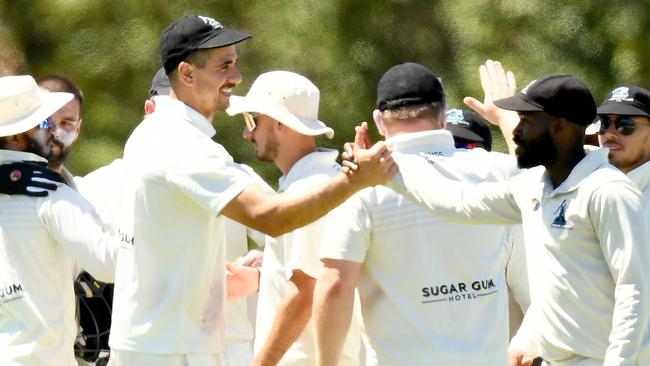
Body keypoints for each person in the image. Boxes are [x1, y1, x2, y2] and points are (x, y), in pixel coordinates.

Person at [109, 15, 393, 365]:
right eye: (224, 66)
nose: (236, 77)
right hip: (171, 349)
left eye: (235, 64)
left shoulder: (155, 132)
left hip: (157, 343)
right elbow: (269, 217)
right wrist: (356, 179)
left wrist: (265, 269)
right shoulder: (182, 142)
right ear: (186, 74)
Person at [381, 73, 650, 365]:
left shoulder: (608, 191)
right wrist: (388, 172)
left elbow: (635, 291)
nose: (516, 131)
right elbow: (456, 201)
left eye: (526, 120)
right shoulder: (533, 186)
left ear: (559, 126)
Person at [314, 62, 529, 365]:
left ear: (378, 120)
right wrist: (507, 115)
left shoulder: (363, 185)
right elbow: (542, 180)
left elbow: (335, 284)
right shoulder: (497, 170)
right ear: (443, 115)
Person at [226, 70, 361, 365]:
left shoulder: (310, 188)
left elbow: (306, 293)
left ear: (279, 122)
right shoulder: (319, 181)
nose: (247, 134)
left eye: (252, 120)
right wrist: (268, 266)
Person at [0, 75, 119, 365]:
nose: (51, 131)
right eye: (42, 124)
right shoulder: (50, 194)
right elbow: (110, 263)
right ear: (15, 137)